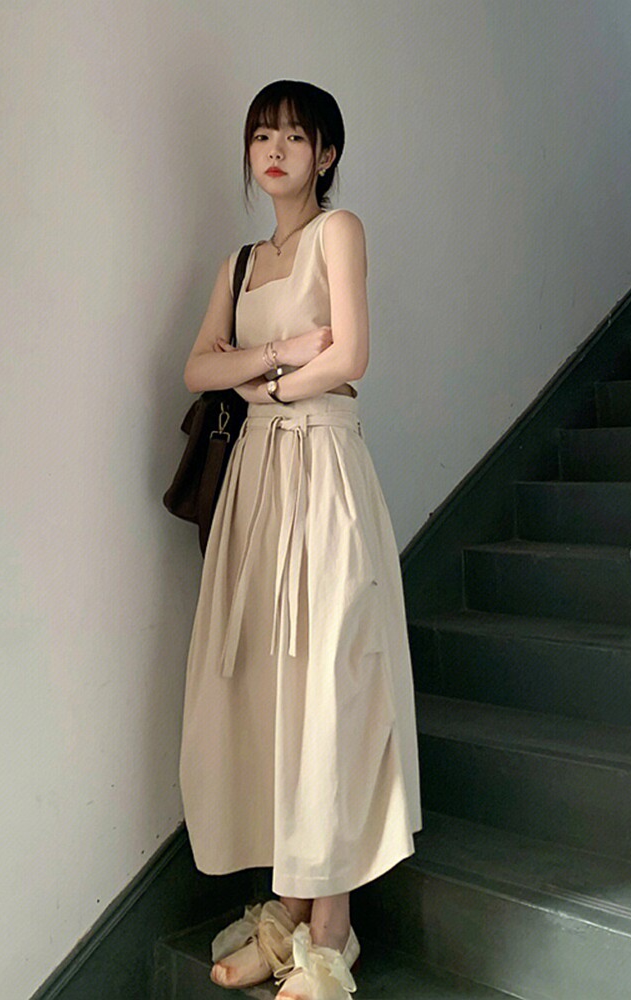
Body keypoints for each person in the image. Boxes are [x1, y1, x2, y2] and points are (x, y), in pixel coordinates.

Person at [177, 80, 422, 1000]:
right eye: (261, 136)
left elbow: (351, 356)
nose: (274, 150)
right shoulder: (241, 262)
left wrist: (266, 388)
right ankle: (287, 906)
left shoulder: (338, 231)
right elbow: (197, 367)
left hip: (322, 465)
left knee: (329, 680)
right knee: (269, 688)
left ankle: (332, 930)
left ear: (326, 153)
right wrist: (279, 358)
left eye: (293, 135)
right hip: (258, 480)